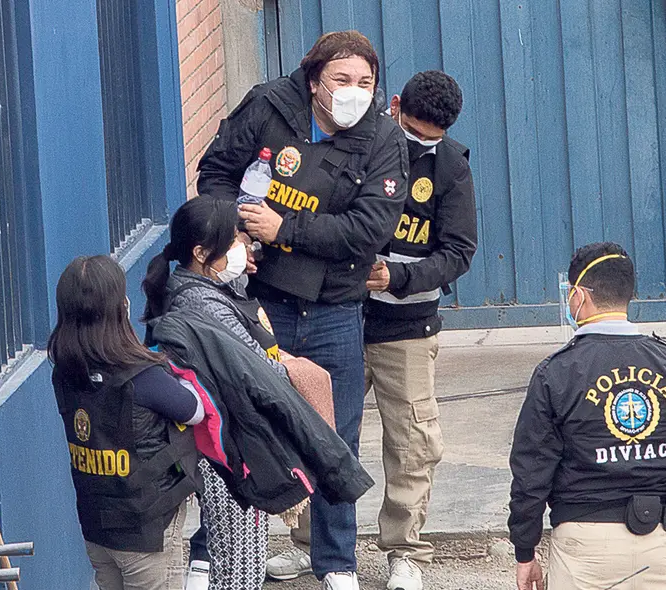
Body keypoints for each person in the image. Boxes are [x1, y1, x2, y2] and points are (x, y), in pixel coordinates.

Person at [197, 30, 409, 590]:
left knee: (336, 436)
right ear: (314, 81)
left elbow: (370, 230)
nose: (354, 93)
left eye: (366, 83)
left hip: (335, 307)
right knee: (238, 423)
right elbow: (213, 173)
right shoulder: (268, 106)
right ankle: (213, 553)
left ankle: (337, 564)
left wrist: (284, 228)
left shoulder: (385, 139)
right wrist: (237, 231)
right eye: (342, 80)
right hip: (260, 301)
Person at [269, 70, 477, 590]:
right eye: (414, 131)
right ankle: (309, 545)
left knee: (411, 441)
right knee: (318, 429)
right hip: (333, 313)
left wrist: (400, 276)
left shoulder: (451, 167)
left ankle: (405, 553)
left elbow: (459, 252)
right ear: (396, 106)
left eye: (432, 137)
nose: (421, 144)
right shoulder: (357, 142)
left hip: (405, 324)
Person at [508, 243, 666, 590]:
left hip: (584, 550)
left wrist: (525, 552)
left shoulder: (555, 374)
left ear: (578, 296)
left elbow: (531, 472)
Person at [142, 196, 277, 590]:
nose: (241, 248)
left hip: (220, 448)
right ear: (201, 253)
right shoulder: (203, 304)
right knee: (238, 570)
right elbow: (259, 372)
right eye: (232, 241)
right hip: (227, 454)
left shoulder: (197, 287)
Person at [48, 255, 205, 590]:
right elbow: (194, 409)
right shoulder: (142, 376)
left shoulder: (64, 372)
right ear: (121, 309)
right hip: (146, 531)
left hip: (96, 528)